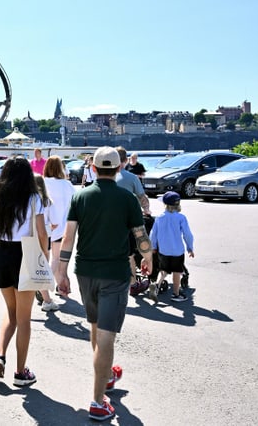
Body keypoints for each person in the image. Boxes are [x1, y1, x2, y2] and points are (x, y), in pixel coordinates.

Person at [55, 146, 154, 422]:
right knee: (107, 336)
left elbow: (67, 238)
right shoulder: (127, 199)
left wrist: (61, 273)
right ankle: (98, 402)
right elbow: (140, 235)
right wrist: (148, 258)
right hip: (115, 274)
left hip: (85, 271)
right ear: (120, 168)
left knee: (96, 327)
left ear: (94, 169)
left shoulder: (80, 196)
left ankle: (107, 374)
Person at [0, 156, 47, 387]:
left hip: (2, 253)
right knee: (24, 319)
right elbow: (41, 233)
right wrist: (43, 257)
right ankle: (20, 372)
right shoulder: (34, 198)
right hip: (25, 253)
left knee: (10, 313)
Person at [39, 156, 76, 312]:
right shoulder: (67, 185)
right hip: (62, 226)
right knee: (56, 259)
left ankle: (50, 286)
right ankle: (50, 285)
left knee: (43, 258)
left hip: (43, 226)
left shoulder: (41, 183)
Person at [114, 146, 152, 296]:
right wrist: (147, 210)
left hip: (108, 221)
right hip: (127, 221)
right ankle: (133, 284)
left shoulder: (104, 178)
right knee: (129, 254)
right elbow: (142, 197)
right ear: (125, 161)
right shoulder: (131, 178)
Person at [150, 191, 194, 302]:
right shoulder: (181, 217)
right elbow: (187, 234)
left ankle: (156, 285)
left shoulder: (159, 218)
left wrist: (153, 246)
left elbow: (153, 234)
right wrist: (190, 247)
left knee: (164, 270)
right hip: (177, 250)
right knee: (176, 272)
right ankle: (176, 294)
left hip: (163, 250)